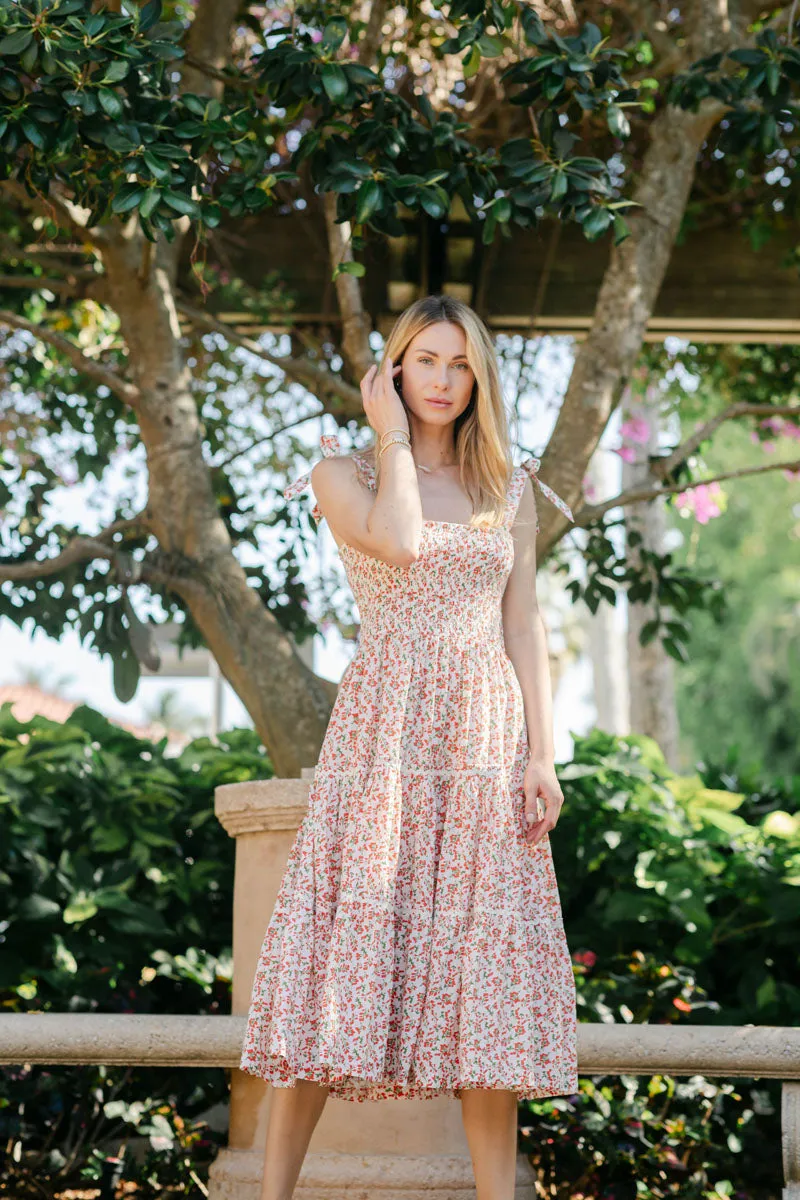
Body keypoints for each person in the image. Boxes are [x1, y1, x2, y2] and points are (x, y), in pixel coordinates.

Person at [240, 294, 579, 1200]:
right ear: (393, 370)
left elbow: (523, 619)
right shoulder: (338, 474)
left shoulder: (508, 485)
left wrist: (542, 754)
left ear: (479, 379)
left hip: (482, 742)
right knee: (337, 967)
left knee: (488, 984)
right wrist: (388, 434)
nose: (441, 380)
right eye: (424, 361)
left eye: (459, 364)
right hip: (384, 736)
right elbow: (394, 540)